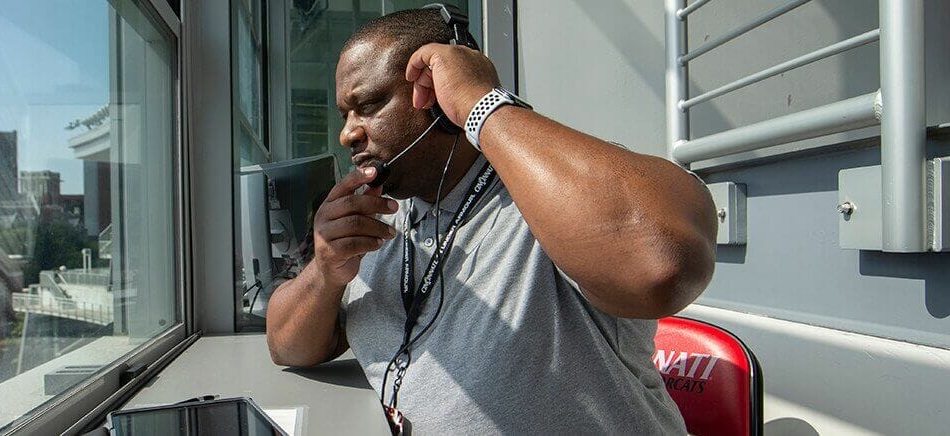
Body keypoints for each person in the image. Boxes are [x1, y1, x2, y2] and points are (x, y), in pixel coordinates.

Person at [266, 7, 716, 434]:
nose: (347, 132)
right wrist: (326, 274)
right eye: (345, 115)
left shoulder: (557, 195)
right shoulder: (380, 220)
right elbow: (285, 344)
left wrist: (483, 105)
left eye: (368, 105)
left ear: (438, 99)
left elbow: (661, 263)